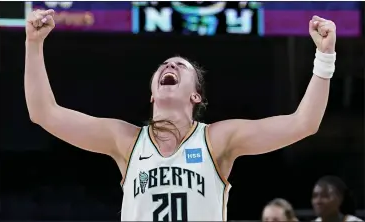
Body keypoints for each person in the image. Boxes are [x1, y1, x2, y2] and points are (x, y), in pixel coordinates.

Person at [25, 8, 337, 221]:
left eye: (180, 66)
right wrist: (34, 44)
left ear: (195, 95)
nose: (170, 66)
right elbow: (44, 113)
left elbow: (303, 123)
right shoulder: (125, 141)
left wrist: (324, 57)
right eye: (164, 66)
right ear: (152, 93)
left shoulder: (216, 140)